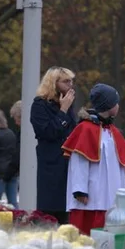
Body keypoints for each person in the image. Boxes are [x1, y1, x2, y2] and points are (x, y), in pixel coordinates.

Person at [63, 84, 125, 236]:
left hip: (111, 197)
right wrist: (80, 190)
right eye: (116, 102)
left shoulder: (112, 131)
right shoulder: (85, 129)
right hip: (91, 198)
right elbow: (79, 162)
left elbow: (121, 164)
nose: (118, 105)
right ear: (108, 105)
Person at [31, 66, 77, 223]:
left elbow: (72, 131)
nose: (70, 85)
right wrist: (63, 110)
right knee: (50, 212)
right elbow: (48, 132)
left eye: (71, 81)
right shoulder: (39, 105)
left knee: (66, 211)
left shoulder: (67, 104)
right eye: (66, 81)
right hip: (51, 164)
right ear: (53, 83)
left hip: (67, 163)